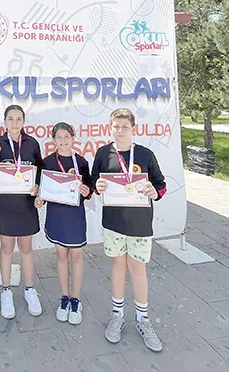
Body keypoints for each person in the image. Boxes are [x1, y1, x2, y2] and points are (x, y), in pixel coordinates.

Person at [91, 108, 167, 352]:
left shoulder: (145, 154)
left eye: (125, 126)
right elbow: (93, 181)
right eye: (116, 126)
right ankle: (117, 314)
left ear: (133, 129)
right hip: (113, 222)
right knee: (117, 265)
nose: (120, 130)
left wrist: (155, 192)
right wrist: (97, 185)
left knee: (138, 269)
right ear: (110, 128)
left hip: (140, 223)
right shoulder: (103, 153)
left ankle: (143, 319)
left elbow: (161, 184)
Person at [0, 105, 43, 319]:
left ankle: (29, 289)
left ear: (24, 121)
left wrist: (37, 186)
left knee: (26, 248)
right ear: (5, 121)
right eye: (11, 119)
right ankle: (6, 291)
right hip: (6, 206)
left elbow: (39, 171)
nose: (15, 123)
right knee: (7, 248)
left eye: (19, 119)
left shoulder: (32, 143)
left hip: (26, 205)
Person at [34, 122, 91, 325]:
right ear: (53, 140)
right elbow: (43, 189)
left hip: (75, 216)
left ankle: (76, 299)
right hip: (57, 215)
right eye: (59, 137)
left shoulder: (81, 162)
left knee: (76, 255)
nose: (63, 141)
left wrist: (87, 191)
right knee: (60, 254)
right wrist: (39, 199)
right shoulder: (47, 162)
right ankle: (64, 297)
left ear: (73, 138)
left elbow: (89, 189)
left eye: (67, 137)